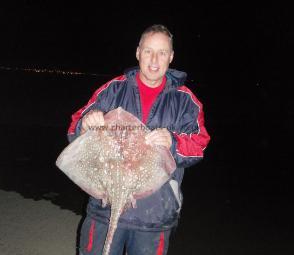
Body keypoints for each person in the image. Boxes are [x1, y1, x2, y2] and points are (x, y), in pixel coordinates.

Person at [67, 24, 210, 255]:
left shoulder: (186, 101)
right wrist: (86, 124)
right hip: (106, 204)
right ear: (137, 52)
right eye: (148, 51)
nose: (154, 59)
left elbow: (199, 146)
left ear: (171, 56)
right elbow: (75, 126)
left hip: (154, 214)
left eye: (162, 52)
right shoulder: (112, 90)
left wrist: (173, 142)